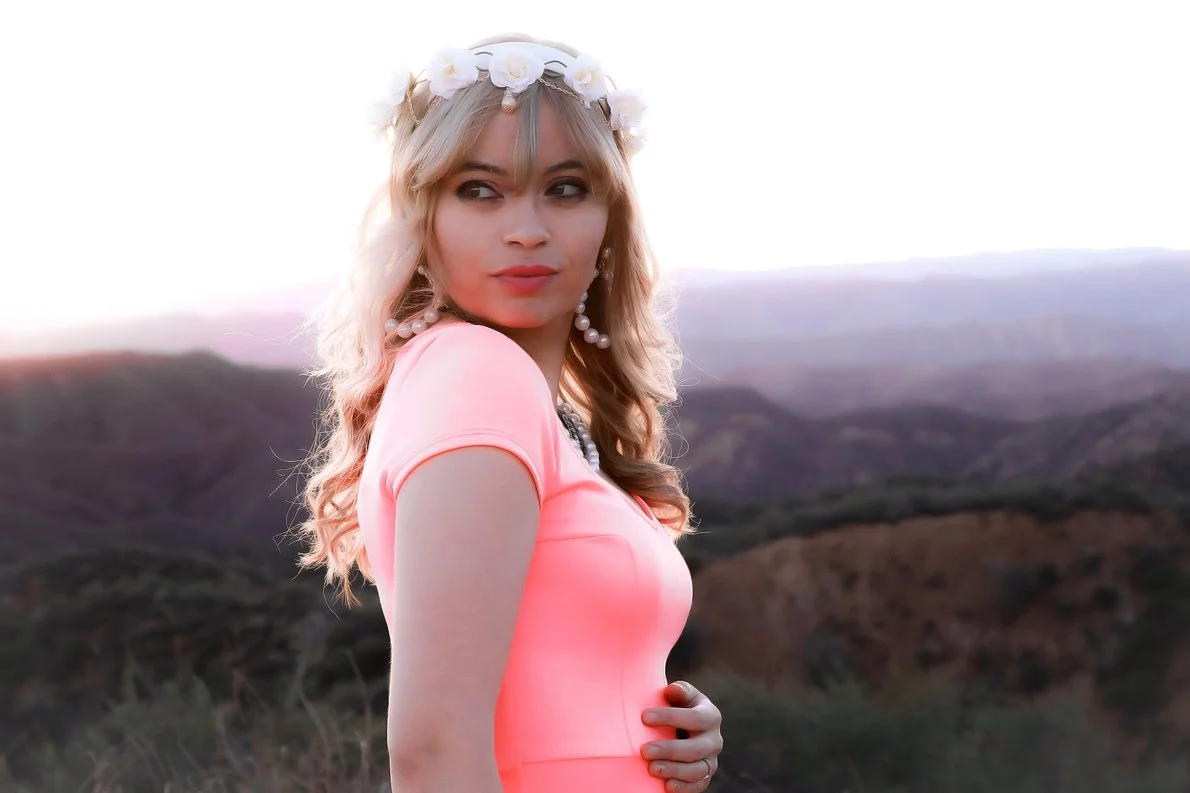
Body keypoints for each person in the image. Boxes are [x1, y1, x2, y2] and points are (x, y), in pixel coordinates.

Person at [295, 33, 723, 793]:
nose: (526, 228)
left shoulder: (532, 403)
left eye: (566, 188)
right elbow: (433, 753)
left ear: (609, 218)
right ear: (423, 216)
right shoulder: (476, 371)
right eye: (480, 190)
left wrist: (657, 734)